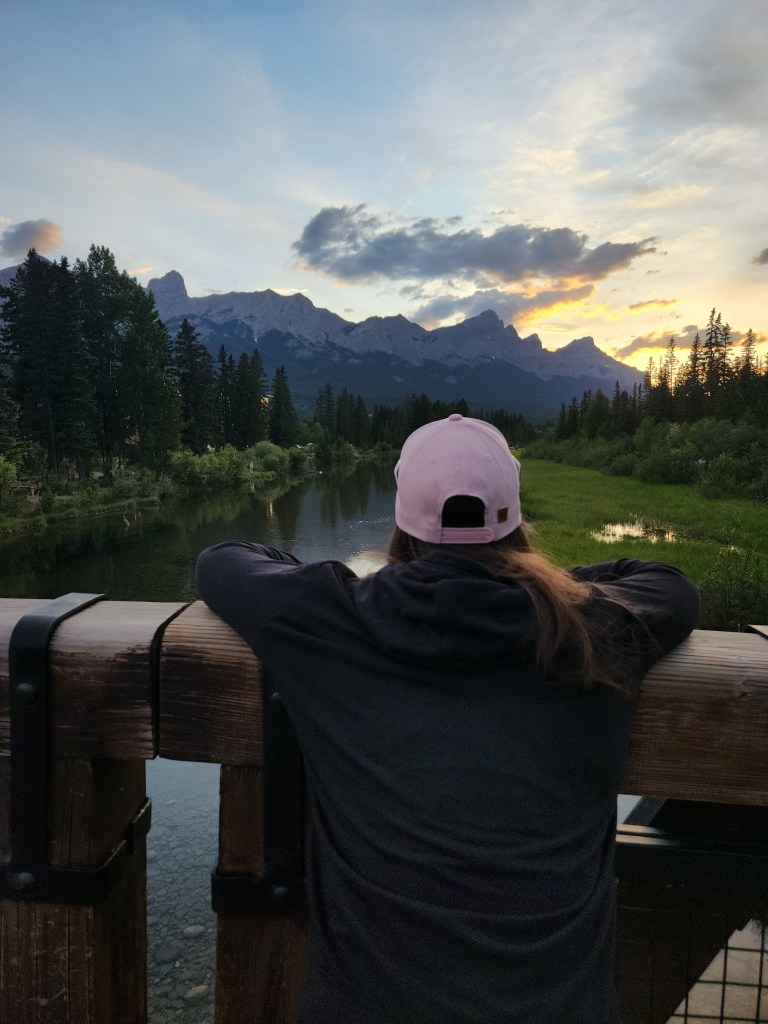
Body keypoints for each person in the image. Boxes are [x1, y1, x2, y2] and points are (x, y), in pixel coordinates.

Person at [195, 413, 699, 1024]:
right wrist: (543, 586)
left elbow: (222, 560)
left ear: (403, 520)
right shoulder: (593, 628)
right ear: (514, 520)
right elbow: (668, 584)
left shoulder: (331, 618)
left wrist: (322, 578)